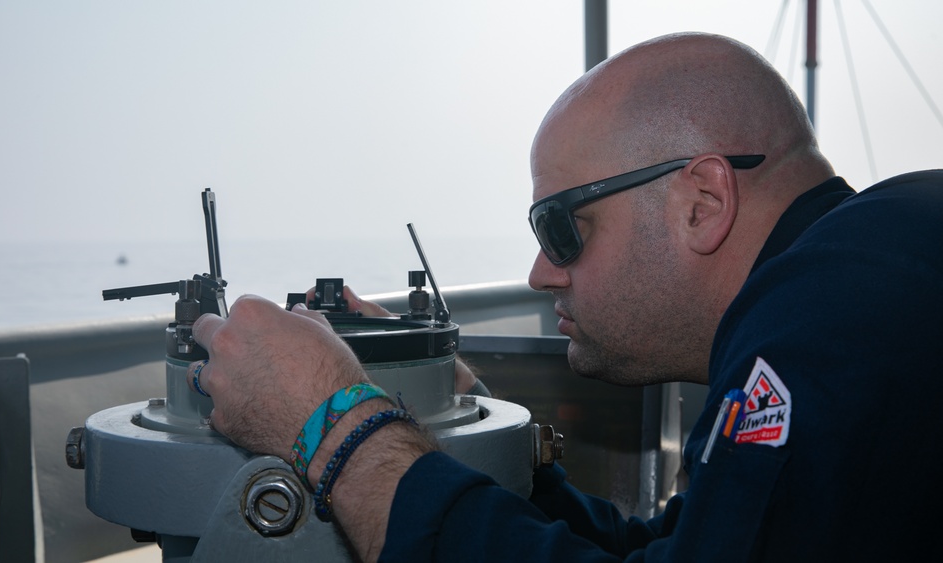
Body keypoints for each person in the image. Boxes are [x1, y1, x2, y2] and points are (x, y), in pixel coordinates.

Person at [186, 32, 943, 561]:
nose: (541, 272)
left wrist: (336, 424)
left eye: (562, 226)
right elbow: (673, 548)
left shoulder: (831, 317)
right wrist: (483, 442)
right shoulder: (865, 277)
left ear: (703, 203)